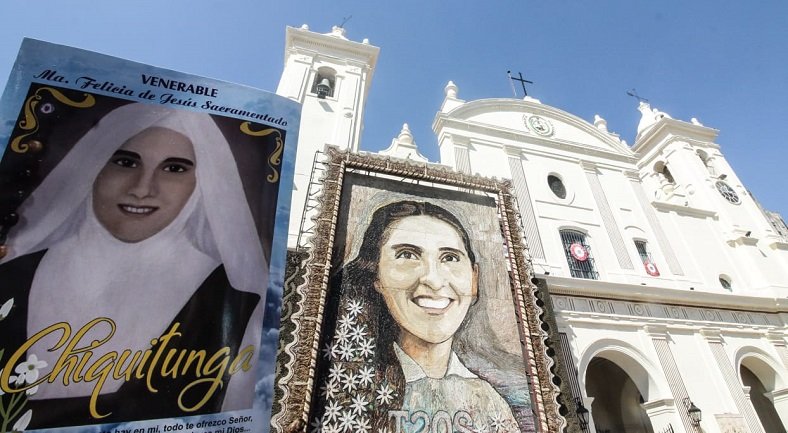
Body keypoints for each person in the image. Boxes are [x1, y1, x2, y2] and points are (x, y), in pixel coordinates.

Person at [0, 103, 267, 428]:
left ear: (201, 185)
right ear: (95, 167)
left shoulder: (237, 303)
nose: (142, 189)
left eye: (175, 169)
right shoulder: (10, 274)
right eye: (126, 162)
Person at [328, 200, 522, 433]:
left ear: (474, 280)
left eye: (450, 258)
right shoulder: (350, 390)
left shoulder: (491, 401)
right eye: (407, 254)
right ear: (376, 275)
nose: (433, 279)